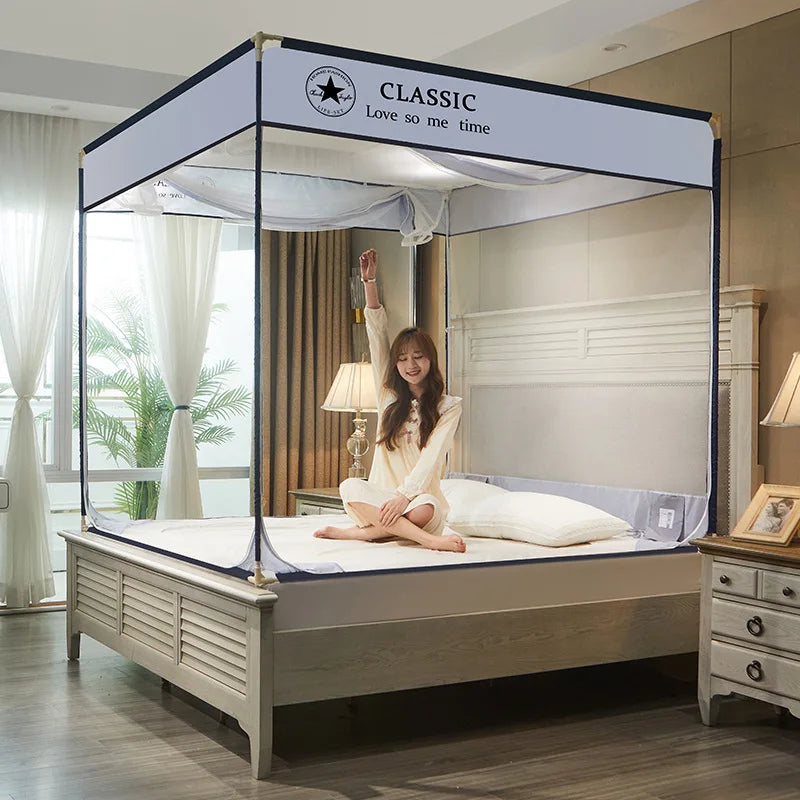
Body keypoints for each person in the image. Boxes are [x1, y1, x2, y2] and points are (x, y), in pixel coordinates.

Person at [315, 248, 466, 553]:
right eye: (403, 359)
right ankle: (428, 541)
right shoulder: (387, 396)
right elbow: (376, 334)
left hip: (418, 501)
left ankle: (361, 533)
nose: (411, 365)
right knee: (349, 486)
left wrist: (403, 497)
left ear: (431, 359)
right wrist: (369, 282)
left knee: (426, 508)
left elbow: (431, 459)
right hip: (381, 499)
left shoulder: (448, 406)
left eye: (418, 356)